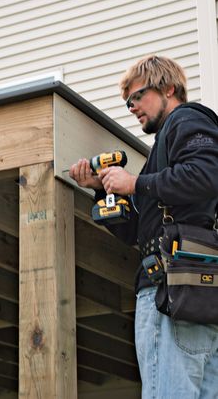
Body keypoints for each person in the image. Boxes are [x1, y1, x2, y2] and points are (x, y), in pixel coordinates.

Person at [69, 55, 218, 398]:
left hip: (170, 292)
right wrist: (100, 189)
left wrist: (134, 183)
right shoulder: (163, 154)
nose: (132, 106)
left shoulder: (186, 119)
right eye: (127, 102)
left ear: (168, 88)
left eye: (138, 96)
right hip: (194, 293)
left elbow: (207, 176)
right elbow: (137, 232)